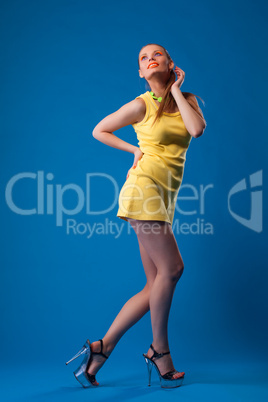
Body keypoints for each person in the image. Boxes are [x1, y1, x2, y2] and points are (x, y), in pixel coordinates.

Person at [65, 43, 206, 389]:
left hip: (164, 197)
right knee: (172, 270)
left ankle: (101, 348)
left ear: (171, 64)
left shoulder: (187, 101)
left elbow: (197, 130)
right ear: (140, 73)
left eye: (157, 55)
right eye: (143, 59)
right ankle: (160, 351)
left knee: (154, 283)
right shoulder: (141, 104)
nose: (150, 59)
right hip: (144, 190)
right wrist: (135, 150)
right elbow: (100, 129)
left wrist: (175, 88)